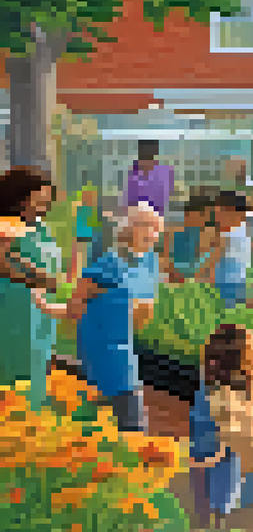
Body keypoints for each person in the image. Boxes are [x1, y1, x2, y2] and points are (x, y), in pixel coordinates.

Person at [54, 204, 163, 432]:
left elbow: (145, 306)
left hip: (127, 345)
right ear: (128, 228)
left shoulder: (150, 263)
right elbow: (76, 304)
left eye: (156, 229)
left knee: (120, 411)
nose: (152, 233)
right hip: (103, 346)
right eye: (145, 226)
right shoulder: (109, 263)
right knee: (127, 415)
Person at [188, 323, 253, 531]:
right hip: (216, 455)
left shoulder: (213, 389)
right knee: (217, 503)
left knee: (207, 504)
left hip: (207, 456)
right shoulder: (236, 390)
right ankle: (216, 530)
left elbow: (204, 425)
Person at [0, 167, 64, 409]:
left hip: (39, 311)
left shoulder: (40, 227)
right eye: (38, 199)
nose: (43, 205)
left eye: (46, 200)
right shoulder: (6, 225)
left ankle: (32, 420)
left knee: (38, 362)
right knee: (13, 370)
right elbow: (3, 263)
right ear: (19, 198)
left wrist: (46, 280)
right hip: (11, 309)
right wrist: (37, 280)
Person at [197, 191, 252, 307]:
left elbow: (212, 261)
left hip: (224, 286)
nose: (216, 215)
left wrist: (196, 277)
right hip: (239, 283)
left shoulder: (228, 235)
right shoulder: (242, 231)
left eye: (219, 211)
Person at [168, 196, 214, 285]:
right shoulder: (174, 233)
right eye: (202, 214)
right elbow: (166, 263)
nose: (206, 219)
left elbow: (209, 265)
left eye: (208, 215)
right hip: (176, 282)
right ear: (188, 213)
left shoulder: (208, 235)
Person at [123, 140, 174, 216]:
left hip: (154, 217)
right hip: (139, 217)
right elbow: (130, 202)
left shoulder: (165, 172)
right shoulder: (133, 173)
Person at [70, 178, 103, 283]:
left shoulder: (94, 211)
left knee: (88, 262)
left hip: (91, 241)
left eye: (92, 196)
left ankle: (84, 280)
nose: (90, 198)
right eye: (87, 195)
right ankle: (77, 281)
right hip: (80, 240)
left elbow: (97, 226)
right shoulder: (79, 209)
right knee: (78, 263)